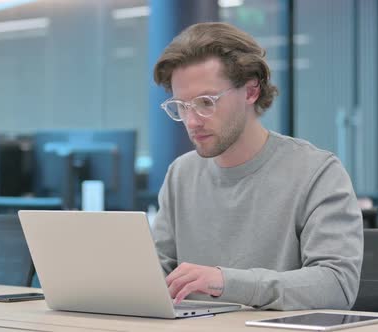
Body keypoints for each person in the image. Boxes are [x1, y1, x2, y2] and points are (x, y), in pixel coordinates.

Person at [151, 22, 363, 310]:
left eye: (206, 102)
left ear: (251, 91)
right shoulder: (181, 174)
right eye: (182, 106)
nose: (192, 121)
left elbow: (337, 286)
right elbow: (154, 275)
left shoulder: (316, 172)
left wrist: (226, 282)